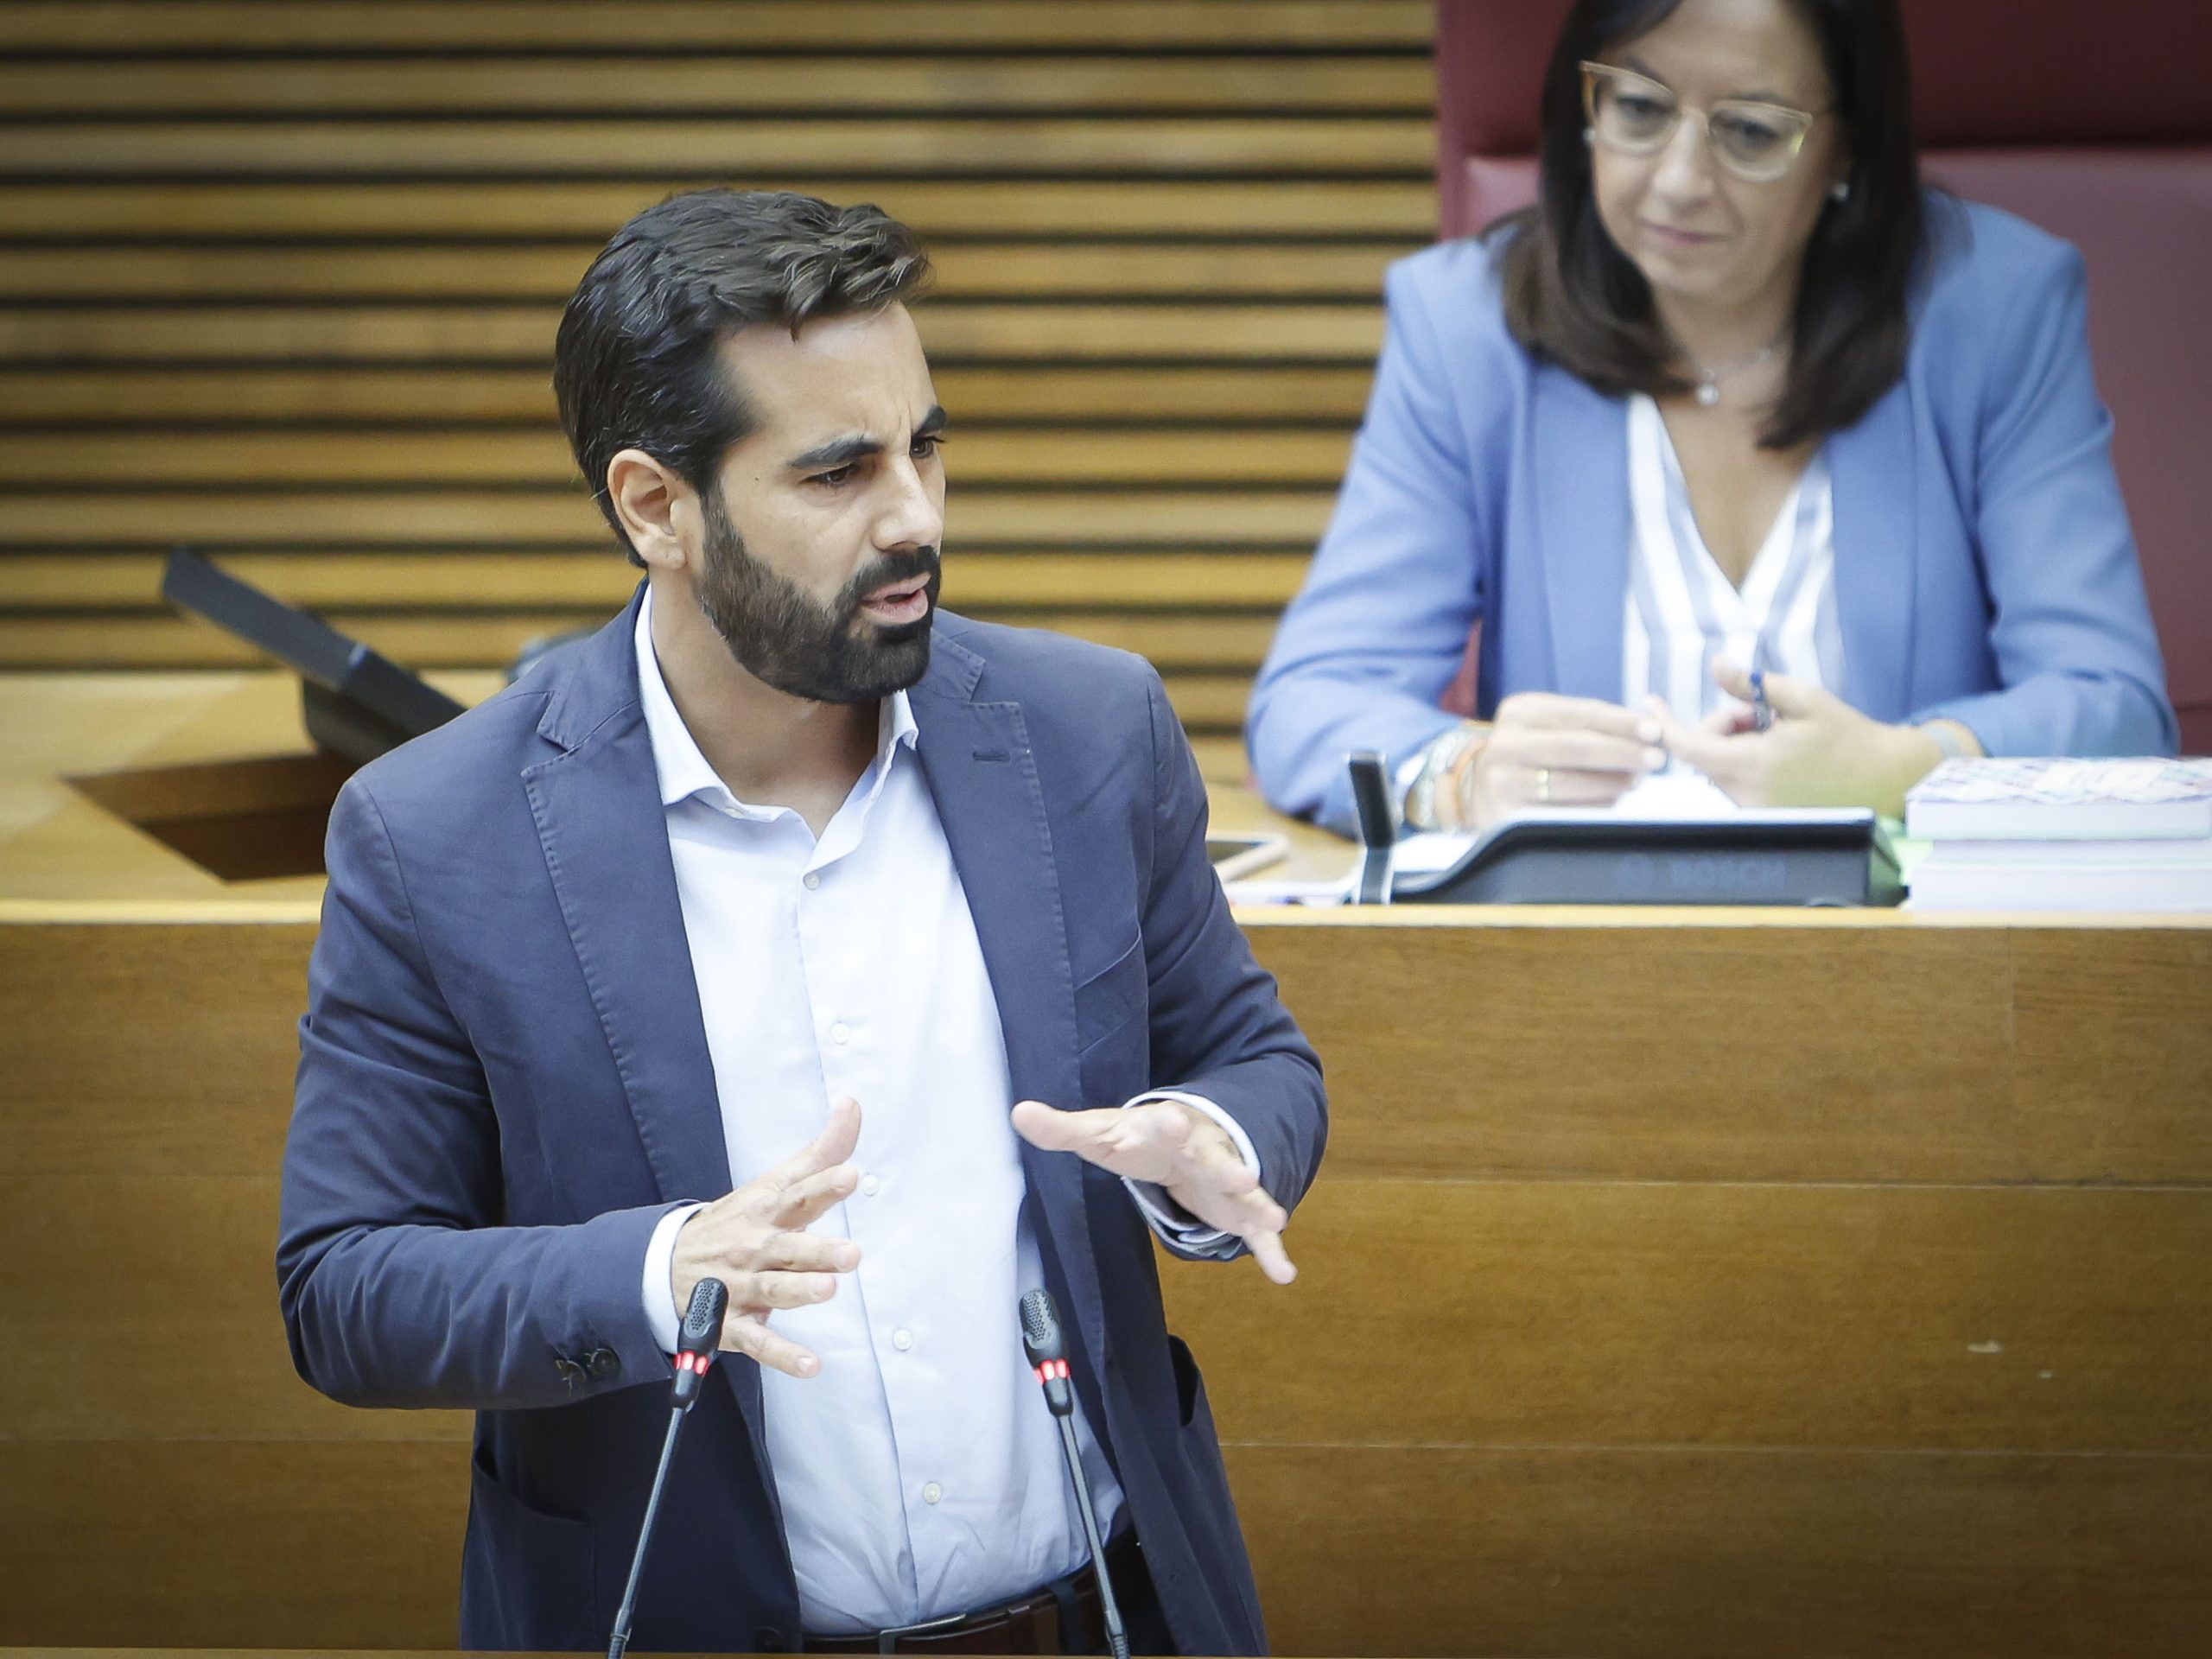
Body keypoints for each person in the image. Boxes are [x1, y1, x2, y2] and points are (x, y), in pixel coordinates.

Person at [277, 188, 1325, 1656]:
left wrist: (1204, 1142)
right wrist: (659, 1273)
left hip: (1102, 1617)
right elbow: (345, 1287)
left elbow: (1253, 1057)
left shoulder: (1088, 731)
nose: (914, 515)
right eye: (838, 471)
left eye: (926, 446)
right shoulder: (435, 834)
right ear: (658, 508)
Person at [1248, 0, 2177, 839]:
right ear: (1586, 105)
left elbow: (2116, 708)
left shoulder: (1991, 311)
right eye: (1640, 110)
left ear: (1846, 145)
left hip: (1918, 975)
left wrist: (1907, 770)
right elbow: (1311, 700)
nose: (1680, 180)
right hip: (1573, 971)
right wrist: (1460, 778)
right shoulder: (1468, 330)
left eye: (1748, 130)